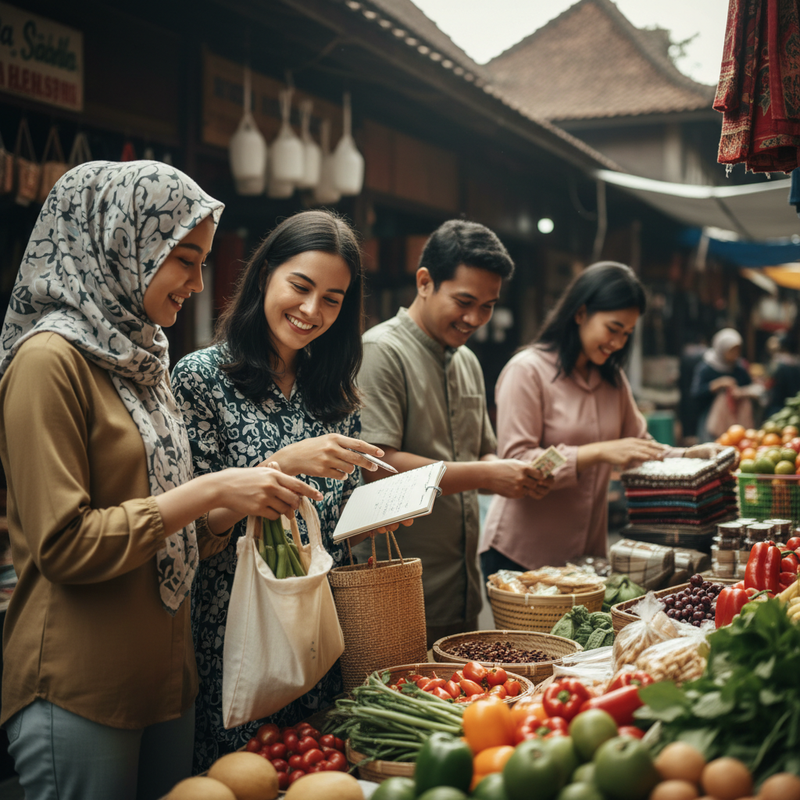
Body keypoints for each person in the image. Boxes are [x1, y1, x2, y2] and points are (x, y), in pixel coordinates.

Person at [0, 161, 320, 800]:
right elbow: (63, 544)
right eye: (184, 260)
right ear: (121, 243)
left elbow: (175, 534)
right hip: (84, 684)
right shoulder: (48, 361)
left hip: (169, 680)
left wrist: (241, 495)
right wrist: (210, 490)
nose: (197, 284)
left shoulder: (142, 359)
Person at [171, 209, 392, 772]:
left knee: (316, 770)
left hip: (319, 626)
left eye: (333, 300)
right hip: (237, 629)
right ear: (265, 273)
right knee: (240, 776)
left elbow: (335, 525)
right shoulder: (201, 377)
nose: (312, 310)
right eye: (300, 286)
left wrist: (379, 513)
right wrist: (280, 464)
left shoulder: (335, 390)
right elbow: (195, 530)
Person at [352, 219, 549, 648]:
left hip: (460, 586)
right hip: (396, 586)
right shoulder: (381, 351)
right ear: (425, 282)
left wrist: (513, 472)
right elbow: (378, 466)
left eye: (488, 306)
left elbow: (483, 455)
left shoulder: (467, 361)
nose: (474, 318)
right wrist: (488, 475)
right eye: (464, 301)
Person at [479, 261, 714, 577]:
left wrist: (690, 456)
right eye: (612, 329)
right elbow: (519, 462)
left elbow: (639, 448)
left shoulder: (612, 380)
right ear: (580, 313)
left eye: (626, 334)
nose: (618, 343)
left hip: (585, 560)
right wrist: (597, 452)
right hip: (521, 556)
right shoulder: (527, 371)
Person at [691, 327, 755, 442]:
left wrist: (741, 392)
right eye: (731, 351)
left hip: (736, 418)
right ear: (721, 349)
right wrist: (717, 385)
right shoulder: (706, 368)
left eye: (738, 350)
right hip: (710, 419)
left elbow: (750, 386)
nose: (735, 354)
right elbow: (696, 393)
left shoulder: (739, 368)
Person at [765, 329, 800, 417]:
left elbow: (769, 383)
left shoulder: (777, 363)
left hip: (777, 406)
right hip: (794, 405)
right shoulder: (797, 361)